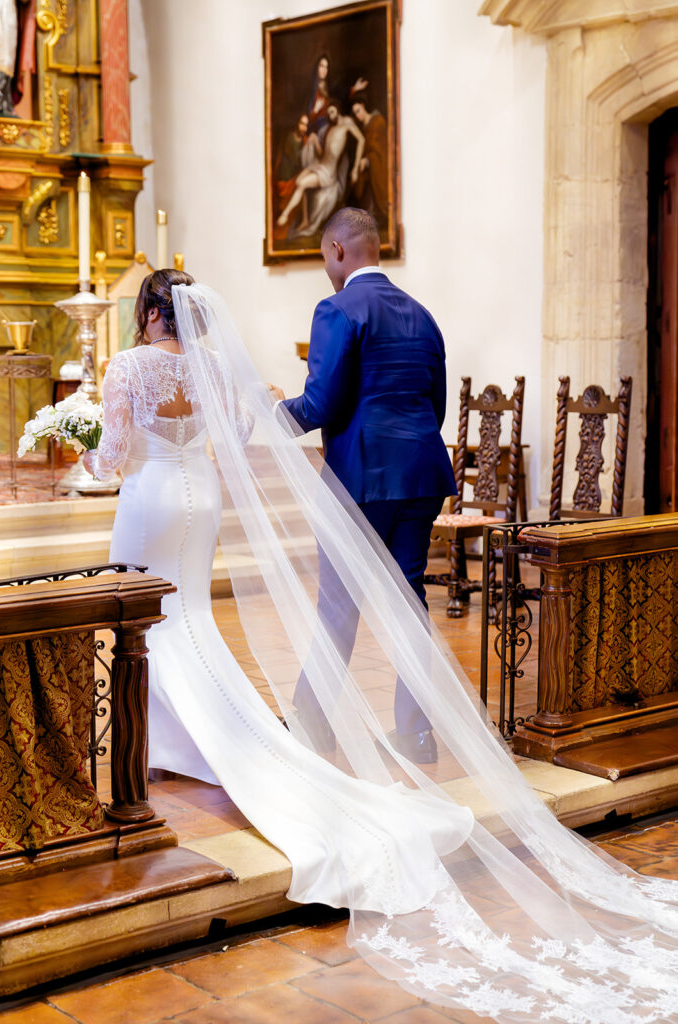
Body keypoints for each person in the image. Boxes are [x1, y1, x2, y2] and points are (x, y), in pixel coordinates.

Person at [87, 268, 678, 1022]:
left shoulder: (159, 357)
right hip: (371, 476)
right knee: (370, 606)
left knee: (179, 621)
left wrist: (85, 444)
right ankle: (411, 724)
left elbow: (135, 448)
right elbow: (426, 398)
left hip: (225, 489)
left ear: (146, 312)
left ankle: (225, 734)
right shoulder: (413, 314)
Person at [281, 208, 455, 764]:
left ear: (336, 249)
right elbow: (438, 405)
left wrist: (266, 416)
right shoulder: (424, 316)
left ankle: (310, 727)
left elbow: (319, 405)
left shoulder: (336, 309)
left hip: (360, 480)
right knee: (410, 600)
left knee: (338, 606)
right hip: (423, 473)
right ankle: (417, 734)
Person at [276, 100, 364, 233]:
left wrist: (356, 167)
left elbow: (362, 140)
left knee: (302, 184)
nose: (331, 115)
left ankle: (285, 215)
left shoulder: (347, 124)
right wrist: (315, 140)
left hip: (327, 173)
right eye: (329, 113)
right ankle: (305, 219)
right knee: (299, 181)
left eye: (332, 111)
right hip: (319, 165)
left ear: (338, 111)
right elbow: (323, 154)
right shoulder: (330, 129)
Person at [350, 94, 388, 224]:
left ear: (363, 106)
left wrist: (368, 159)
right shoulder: (364, 127)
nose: (357, 115)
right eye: (355, 113)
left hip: (379, 165)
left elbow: (381, 147)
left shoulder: (377, 121)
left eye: (358, 111)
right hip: (369, 168)